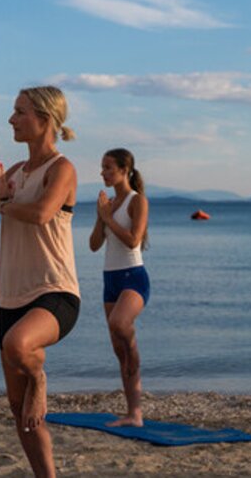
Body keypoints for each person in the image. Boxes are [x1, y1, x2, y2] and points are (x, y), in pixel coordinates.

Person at [0, 86, 81, 478]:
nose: (11, 119)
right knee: (21, 412)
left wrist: (4, 204)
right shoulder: (15, 172)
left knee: (18, 345)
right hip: (11, 297)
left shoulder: (62, 169)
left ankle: (38, 376)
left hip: (55, 291)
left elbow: (42, 213)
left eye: (20, 112)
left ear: (44, 119)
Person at [88, 148, 150, 427]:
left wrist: (109, 218)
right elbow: (93, 245)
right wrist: (101, 216)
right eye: (102, 167)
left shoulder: (138, 201)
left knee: (120, 324)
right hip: (110, 279)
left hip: (133, 277)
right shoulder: (109, 204)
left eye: (108, 168)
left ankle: (134, 345)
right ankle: (134, 413)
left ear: (125, 171)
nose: (103, 172)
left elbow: (134, 240)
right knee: (119, 351)